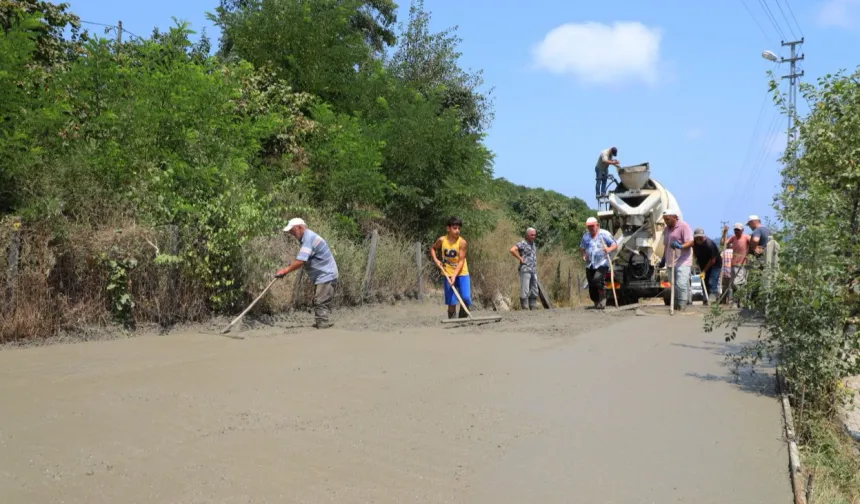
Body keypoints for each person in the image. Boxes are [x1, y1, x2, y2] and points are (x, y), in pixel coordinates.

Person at [275, 218, 339, 329]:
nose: (291, 234)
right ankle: (323, 326)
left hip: (326, 274)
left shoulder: (308, 238)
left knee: (320, 301)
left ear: (300, 227)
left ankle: (323, 328)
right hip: (324, 275)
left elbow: (301, 261)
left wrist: (285, 271)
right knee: (321, 301)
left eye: (292, 231)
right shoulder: (307, 238)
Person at [430, 216, 471, 319]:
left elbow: (461, 261)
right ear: (448, 228)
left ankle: (463, 319)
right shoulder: (442, 240)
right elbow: (433, 249)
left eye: (459, 228)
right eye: (455, 228)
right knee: (451, 302)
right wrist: (436, 260)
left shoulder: (462, 243)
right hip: (447, 273)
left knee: (465, 298)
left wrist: (454, 275)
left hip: (462, 273)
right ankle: (452, 323)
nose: (457, 231)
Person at [579, 217, 618, 310]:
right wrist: (584, 254)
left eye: (592, 226)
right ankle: (596, 301)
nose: (591, 228)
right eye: (589, 227)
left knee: (597, 279)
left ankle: (602, 299)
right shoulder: (586, 236)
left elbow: (615, 244)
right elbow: (582, 247)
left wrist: (608, 249)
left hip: (602, 263)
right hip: (590, 264)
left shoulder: (604, 234)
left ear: (597, 225)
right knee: (591, 283)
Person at [661, 209, 693, 311]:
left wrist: (680, 246)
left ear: (674, 217)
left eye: (668, 219)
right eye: (664, 219)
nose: (666, 221)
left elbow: (691, 242)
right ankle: (675, 306)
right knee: (673, 286)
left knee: (681, 284)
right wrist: (663, 259)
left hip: (683, 261)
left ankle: (682, 306)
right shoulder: (666, 230)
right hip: (670, 262)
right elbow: (666, 246)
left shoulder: (683, 226)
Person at [720, 222, 751, 308]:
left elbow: (753, 243)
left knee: (737, 283)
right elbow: (723, 244)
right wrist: (724, 233)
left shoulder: (746, 237)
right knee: (734, 284)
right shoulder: (733, 238)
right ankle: (737, 301)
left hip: (742, 264)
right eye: (735, 230)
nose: (737, 232)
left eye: (738, 230)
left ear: (742, 230)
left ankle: (740, 300)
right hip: (733, 264)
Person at [510, 227, 539, 310]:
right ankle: (525, 307)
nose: (533, 236)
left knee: (534, 288)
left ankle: (533, 306)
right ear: (527, 235)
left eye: (534, 235)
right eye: (532, 235)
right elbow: (512, 250)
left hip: (533, 270)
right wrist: (520, 258)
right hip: (525, 269)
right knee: (525, 289)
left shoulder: (533, 244)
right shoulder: (523, 243)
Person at [691, 228, 721, 305]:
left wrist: (704, 271)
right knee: (704, 281)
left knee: (711, 281)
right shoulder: (695, 243)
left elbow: (712, 260)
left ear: (704, 236)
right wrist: (695, 261)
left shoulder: (710, 244)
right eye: (697, 237)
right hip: (703, 264)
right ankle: (705, 297)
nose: (699, 238)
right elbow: (694, 250)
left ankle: (712, 298)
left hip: (715, 265)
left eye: (700, 237)